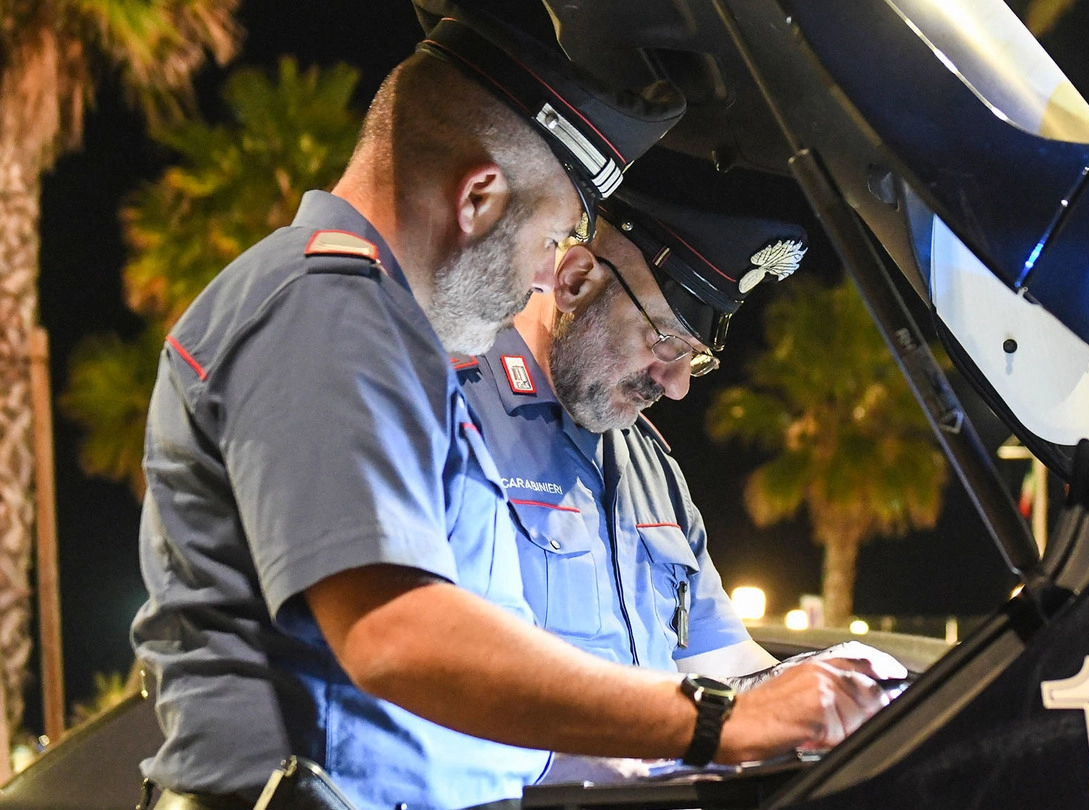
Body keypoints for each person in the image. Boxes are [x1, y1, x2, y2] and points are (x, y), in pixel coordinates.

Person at [131, 12, 891, 810]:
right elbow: (397, 635)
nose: (544, 276)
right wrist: (714, 722)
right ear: (480, 197)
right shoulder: (324, 306)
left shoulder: (390, 339)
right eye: (555, 234)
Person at [457, 190, 827, 676]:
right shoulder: (448, 407)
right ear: (575, 281)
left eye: (696, 358)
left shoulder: (651, 470)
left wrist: (836, 686)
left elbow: (724, 667)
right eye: (667, 341)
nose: (676, 388)